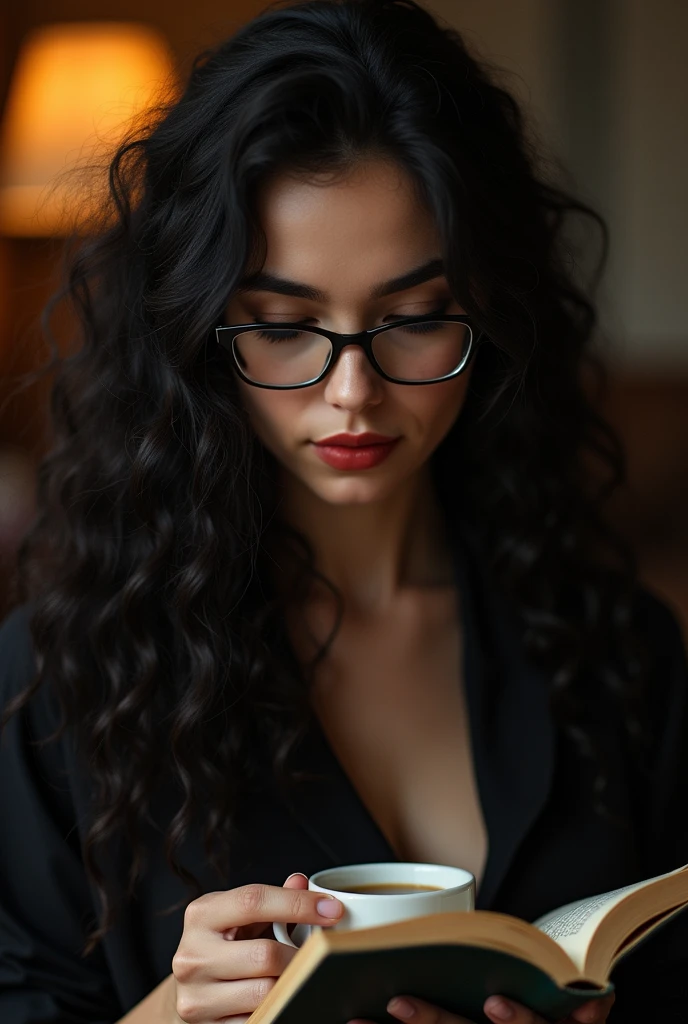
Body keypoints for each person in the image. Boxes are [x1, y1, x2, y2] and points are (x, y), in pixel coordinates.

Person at [0, 1, 686, 1022]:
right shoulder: (57, 683)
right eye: (283, 326)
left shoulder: (621, 655)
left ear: (490, 315)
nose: (352, 392)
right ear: (196, 332)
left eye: (412, 320)